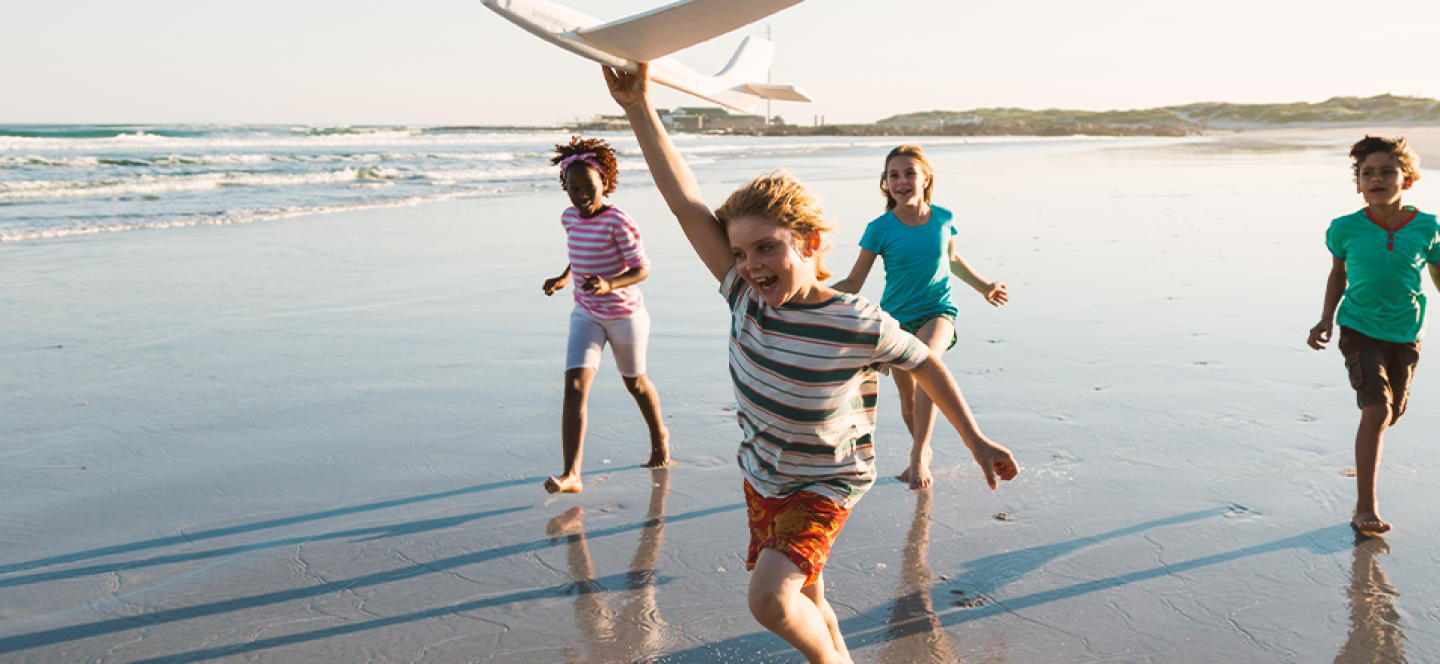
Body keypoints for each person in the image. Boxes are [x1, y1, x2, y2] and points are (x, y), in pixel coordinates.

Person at [605, 63, 1019, 664]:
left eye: (768, 247)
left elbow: (926, 363)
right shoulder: (742, 293)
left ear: (810, 243)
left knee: (770, 602)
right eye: (741, 251)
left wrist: (976, 439)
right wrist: (639, 108)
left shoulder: (856, 320)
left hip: (827, 482)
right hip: (764, 475)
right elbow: (683, 201)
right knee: (811, 595)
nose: (750, 264)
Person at [832, 145, 1008, 489]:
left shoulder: (944, 218)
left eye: (909, 173)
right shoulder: (879, 228)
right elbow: (854, 281)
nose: (901, 181)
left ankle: (916, 457)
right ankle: (923, 452)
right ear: (885, 184)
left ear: (925, 177)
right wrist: (811, 296)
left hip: (937, 311)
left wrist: (984, 286)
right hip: (895, 320)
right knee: (909, 399)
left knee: (926, 361)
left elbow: (952, 260)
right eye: (893, 175)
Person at [1307, 135, 1440, 535]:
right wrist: (1326, 318)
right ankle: (1365, 507)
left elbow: (1437, 270)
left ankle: (1369, 444)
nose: (1377, 179)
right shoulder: (1344, 228)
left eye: (1387, 172)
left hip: (1406, 331)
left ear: (1407, 179)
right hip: (1359, 328)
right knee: (1377, 410)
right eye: (1368, 174)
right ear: (1359, 184)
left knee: (1389, 414)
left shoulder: (1428, 227)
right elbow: (1337, 274)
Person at [540, 136, 670, 494]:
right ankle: (572, 474)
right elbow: (579, 253)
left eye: (589, 187)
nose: (581, 194)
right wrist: (564, 278)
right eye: (573, 187)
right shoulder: (568, 218)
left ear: (605, 184)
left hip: (625, 315)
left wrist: (610, 284)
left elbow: (641, 269)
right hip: (586, 313)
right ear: (564, 187)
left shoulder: (619, 221)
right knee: (574, 386)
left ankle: (659, 437)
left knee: (635, 384)